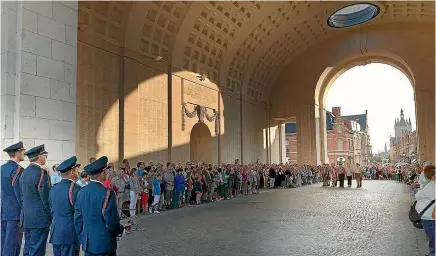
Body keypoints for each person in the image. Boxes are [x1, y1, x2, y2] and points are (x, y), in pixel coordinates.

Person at [74, 156, 125, 256]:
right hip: (104, 243)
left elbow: (77, 220)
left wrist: (83, 237)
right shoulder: (107, 193)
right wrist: (119, 230)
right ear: (102, 173)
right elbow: (111, 221)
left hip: (88, 243)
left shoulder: (81, 192)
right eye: (105, 172)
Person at [20, 144, 51, 256]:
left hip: (27, 217)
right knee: (37, 250)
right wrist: (50, 214)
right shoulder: (41, 172)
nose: (46, 157)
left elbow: (21, 196)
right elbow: (45, 197)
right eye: (45, 155)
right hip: (39, 218)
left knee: (28, 249)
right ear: (39, 157)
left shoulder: (24, 172)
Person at [49, 156, 82, 256]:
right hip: (70, 233)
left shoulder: (53, 189)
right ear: (72, 171)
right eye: (76, 169)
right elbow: (79, 214)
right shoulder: (76, 189)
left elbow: (51, 210)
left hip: (56, 232)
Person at [1, 141, 25, 256]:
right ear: (18, 152)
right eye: (22, 152)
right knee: (13, 243)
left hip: (4, 210)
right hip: (15, 212)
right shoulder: (18, 170)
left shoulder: (2, 168)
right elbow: (20, 194)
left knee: (4, 242)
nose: (23, 154)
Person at [414, 165, 435, 256]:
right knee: (432, 237)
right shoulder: (430, 185)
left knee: (433, 237)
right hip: (427, 216)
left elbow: (418, 196)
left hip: (429, 216)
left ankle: (433, 253)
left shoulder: (432, 186)